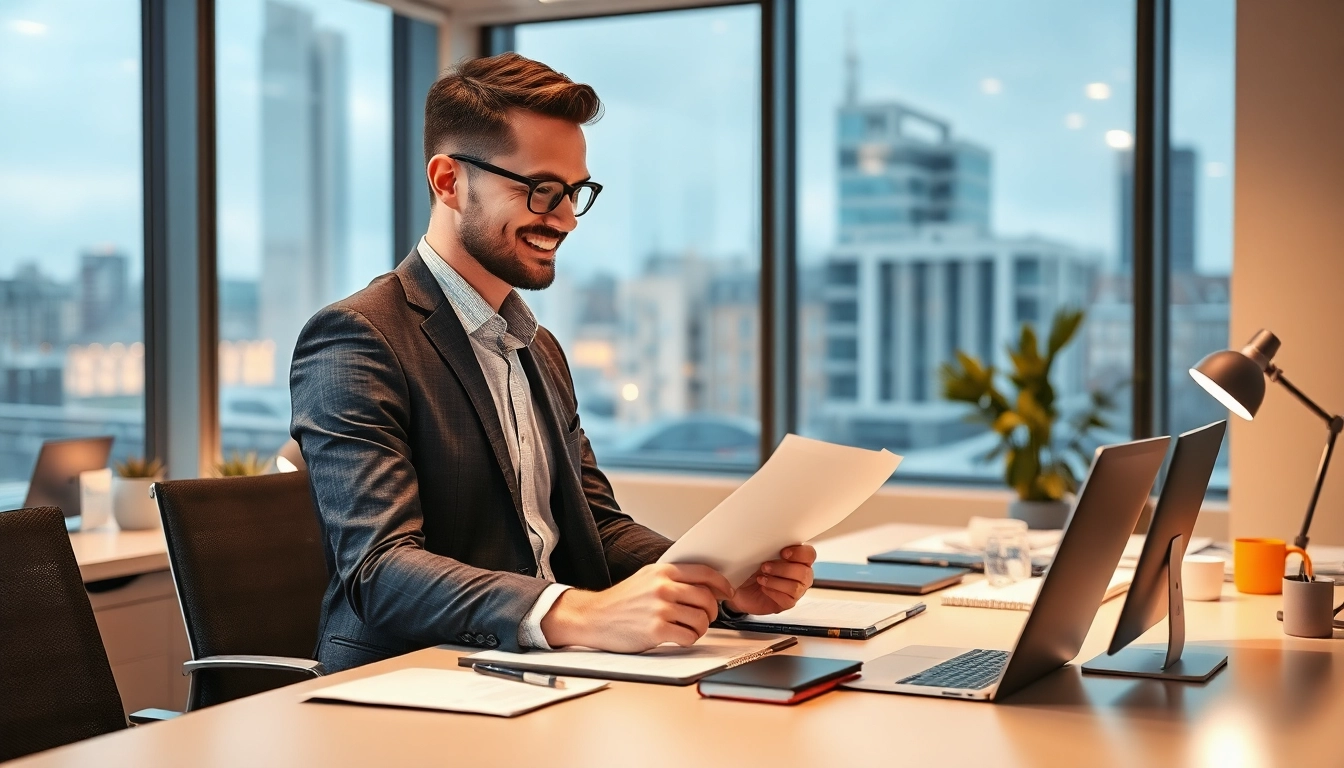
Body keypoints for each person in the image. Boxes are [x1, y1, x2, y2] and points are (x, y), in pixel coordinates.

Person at [290, 52, 815, 672]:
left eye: (574, 192)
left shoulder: (538, 349)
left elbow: (596, 525)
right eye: (541, 189)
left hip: (547, 674)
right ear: (449, 181)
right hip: (416, 680)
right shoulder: (358, 337)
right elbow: (380, 570)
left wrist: (717, 582)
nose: (564, 217)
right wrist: (578, 615)